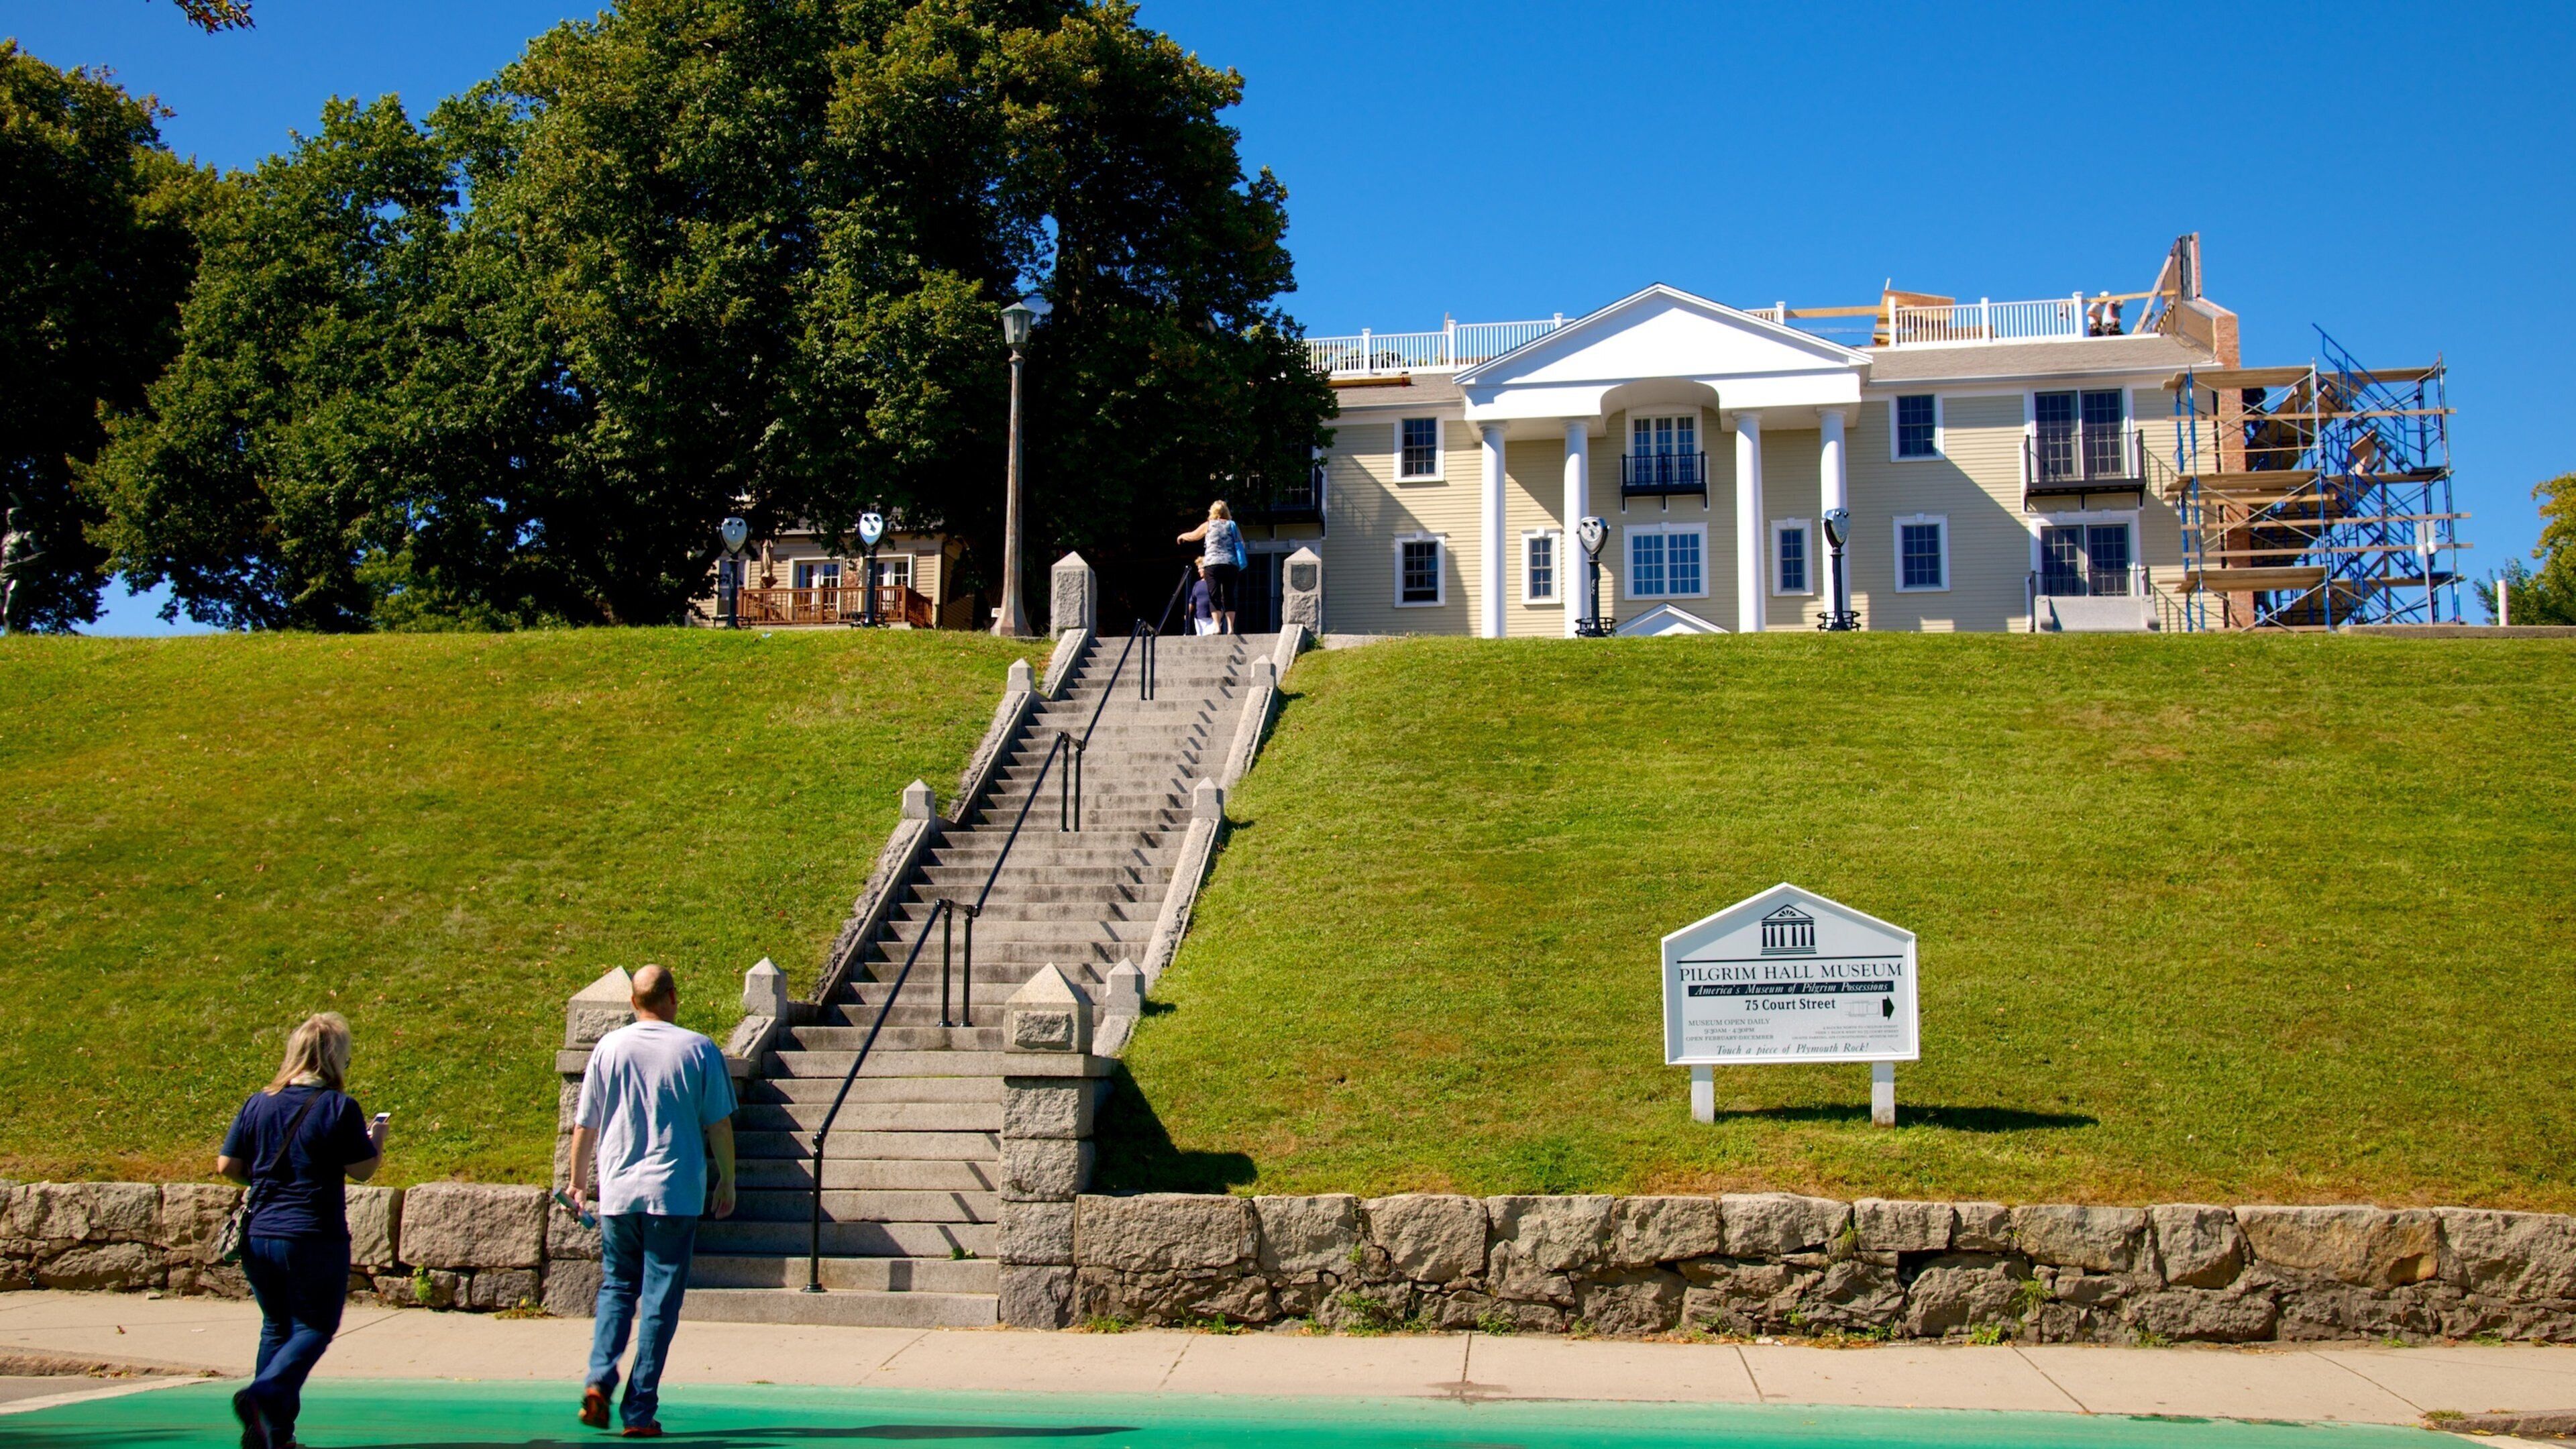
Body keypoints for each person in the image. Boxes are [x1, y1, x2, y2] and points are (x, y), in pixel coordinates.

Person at [570, 965, 737, 1438]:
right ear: (672, 997)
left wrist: (579, 1183)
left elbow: (586, 1125)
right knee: (660, 1302)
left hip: (620, 1194)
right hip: (675, 1193)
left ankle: (599, 1380)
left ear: (632, 1002)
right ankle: (639, 1411)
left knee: (617, 1289)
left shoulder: (608, 1048)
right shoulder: (698, 1048)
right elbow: (719, 1124)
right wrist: (727, 1180)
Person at [217, 1012, 388, 1449]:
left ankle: (273, 1434)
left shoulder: (259, 1102)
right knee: (314, 1326)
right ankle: (262, 1396)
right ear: (336, 1061)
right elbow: (363, 1170)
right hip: (314, 1234)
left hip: (260, 1234)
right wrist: (377, 1139)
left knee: (276, 1327)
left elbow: (228, 1166)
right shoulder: (338, 1108)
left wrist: (266, 1182)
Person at [1177, 501, 1241, 635]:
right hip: (1230, 564)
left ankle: (1217, 627)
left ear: (1213, 512)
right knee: (1229, 595)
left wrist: (1183, 536)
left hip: (1212, 564)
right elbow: (1242, 544)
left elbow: (1194, 536)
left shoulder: (1208, 525)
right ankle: (1231, 628)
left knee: (1214, 595)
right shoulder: (1232, 525)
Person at [1186, 561, 1217, 636]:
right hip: (1199, 618)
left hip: (1212, 618)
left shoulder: (1214, 582)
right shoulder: (1197, 584)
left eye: (1200, 568)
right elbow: (1192, 600)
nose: (1199, 571)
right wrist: (1187, 613)